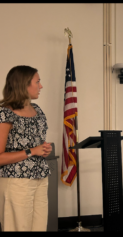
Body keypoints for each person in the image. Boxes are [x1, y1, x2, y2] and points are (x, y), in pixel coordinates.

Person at [0, 66, 52, 231]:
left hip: (40, 178)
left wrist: (43, 149)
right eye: (37, 82)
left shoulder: (38, 110)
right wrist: (32, 151)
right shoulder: (5, 113)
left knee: (39, 227)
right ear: (23, 85)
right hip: (17, 181)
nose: (41, 86)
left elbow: (37, 144)